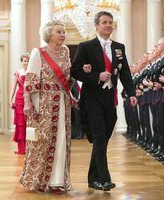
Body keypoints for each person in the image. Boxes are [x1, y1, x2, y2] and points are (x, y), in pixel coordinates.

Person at [71, 11, 137, 191]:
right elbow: (75, 71)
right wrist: (96, 76)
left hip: (109, 98)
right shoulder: (86, 46)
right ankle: (104, 178)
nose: (108, 25)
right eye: (104, 22)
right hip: (92, 97)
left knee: (103, 138)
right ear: (97, 25)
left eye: (110, 22)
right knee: (100, 136)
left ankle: (93, 178)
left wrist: (131, 93)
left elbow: (125, 73)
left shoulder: (119, 47)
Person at [19, 20, 74, 194]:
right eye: (59, 31)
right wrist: (28, 103)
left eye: (64, 31)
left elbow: (68, 79)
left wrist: (71, 94)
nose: (63, 34)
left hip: (62, 103)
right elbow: (30, 79)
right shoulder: (39, 52)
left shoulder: (65, 52)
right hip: (43, 103)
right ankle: (39, 180)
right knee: (43, 141)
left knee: (61, 140)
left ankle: (57, 181)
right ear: (49, 34)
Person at [9, 52, 30, 155]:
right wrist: (10, 99)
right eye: (24, 61)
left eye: (27, 61)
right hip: (19, 99)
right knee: (20, 123)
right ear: (21, 62)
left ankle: (29, 148)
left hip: (29, 99)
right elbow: (13, 87)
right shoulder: (17, 72)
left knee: (28, 123)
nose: (26, 63)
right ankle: (21, 149)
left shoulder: (32, 72)